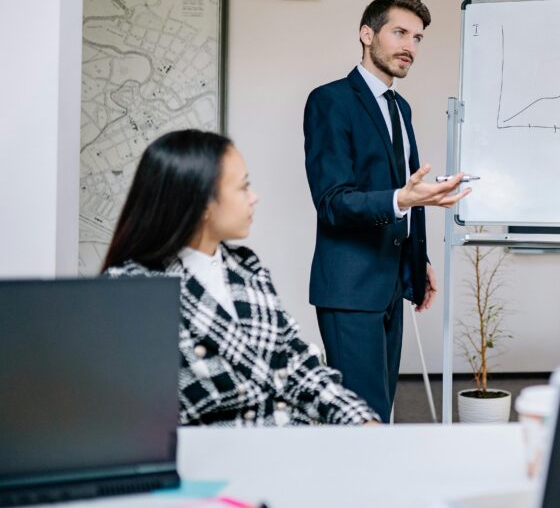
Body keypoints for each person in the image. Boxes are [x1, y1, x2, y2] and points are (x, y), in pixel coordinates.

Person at [103, 129, 379, 427]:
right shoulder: (131, 289)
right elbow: (135, 419)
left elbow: (298, 363)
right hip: (212, 461)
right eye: (244, 187)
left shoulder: (247, 268)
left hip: (293, 450)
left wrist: (362, 421)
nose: (254, 197)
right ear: (203, 202)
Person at [303, 0, 469, 421]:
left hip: (392, 284)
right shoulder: (330, 101)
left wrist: (419, 258)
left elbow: (408, 192)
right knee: (362, 416)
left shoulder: (401, 108)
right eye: (399, 32)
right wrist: (403, 199)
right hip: (350, 288)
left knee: (383, 411)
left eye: (417, 38)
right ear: (366, 34)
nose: (409, 46)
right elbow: (333, 203)